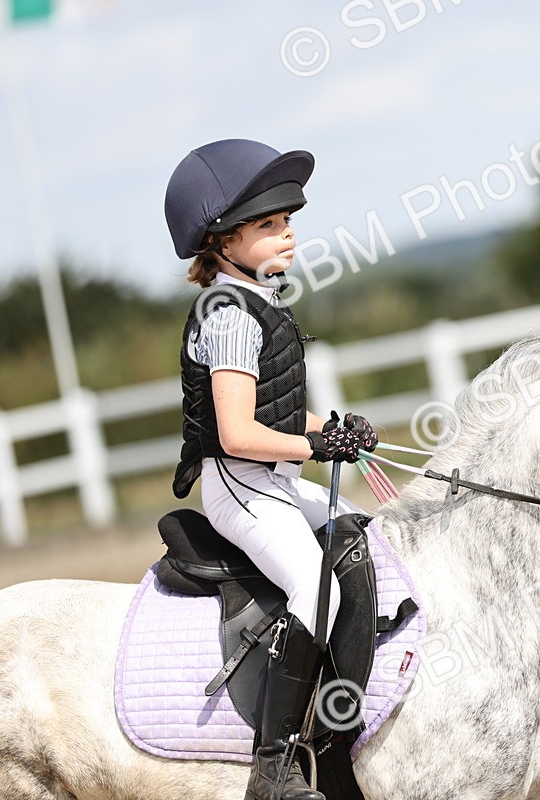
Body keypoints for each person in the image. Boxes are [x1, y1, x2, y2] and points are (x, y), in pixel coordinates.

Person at [164, 139, 376, 800]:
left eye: (287, 222)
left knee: (368, 539)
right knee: (320, 591)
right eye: (269, 226)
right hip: (243, 492)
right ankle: (275, 765)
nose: (287, 235)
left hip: (275, 483)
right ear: (223, 240)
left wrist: (330, 428)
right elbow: (237, 433)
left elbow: (278, 412)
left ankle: (338, 723)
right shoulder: (227, 316)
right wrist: (316, 449)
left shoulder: (256, 300)